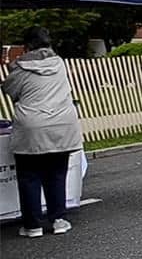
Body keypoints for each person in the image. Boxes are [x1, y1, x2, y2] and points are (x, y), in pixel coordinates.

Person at [1, 27, 84, 238]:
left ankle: (33, 225)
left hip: (32, 126)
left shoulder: (19, 68)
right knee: (56, 173)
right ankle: (59, 220)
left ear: (27, 46)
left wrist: (11, 64)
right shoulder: (60, 64)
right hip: (63, 124)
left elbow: (10, 90)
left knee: (29, 176)